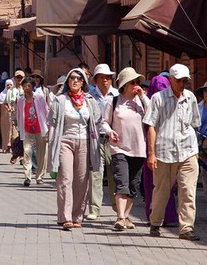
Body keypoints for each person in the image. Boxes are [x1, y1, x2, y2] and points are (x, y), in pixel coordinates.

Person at [144, 64, 201, 241]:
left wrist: (196, 149)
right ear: (170, 80)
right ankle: (155, 222)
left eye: (185, 81)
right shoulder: (158, 98)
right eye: (179, 81)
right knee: (162, 190)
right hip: (164, 152)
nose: (182, 84)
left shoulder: (190, 97)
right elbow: (151, 126)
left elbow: (194, 124)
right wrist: (151, 154)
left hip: (188, 150)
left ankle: (186, 228)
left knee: (188, 190)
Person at [46, 68, 101, 230]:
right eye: (72, 78)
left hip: (84, 142)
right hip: (65, 142)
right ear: (68, 82)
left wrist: (109, 133)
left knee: (81, 181)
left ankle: (77, 216)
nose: (75, 81)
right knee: (65, 179)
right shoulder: (60, 100)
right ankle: (65, 217)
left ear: (83, 82)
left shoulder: (90, 101)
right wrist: (52, 146)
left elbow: (98, 121)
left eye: (79, 78)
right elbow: (53, 124)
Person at [100, 67, 150, 231]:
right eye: (132, 82)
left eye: (138, 82)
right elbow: (104, 122)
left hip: (139, 149)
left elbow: (153, 114)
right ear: (124, 85)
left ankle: (126, 216)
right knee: (122, 182)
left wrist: (143, 96)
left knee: (133, 185)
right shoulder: (114, 101)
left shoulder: (141, 102)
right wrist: (110, 131)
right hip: (119, 148)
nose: (136, 85)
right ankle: (120, 217)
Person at [142, 73, 179, 226]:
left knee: (163, 186)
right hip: (155, 151)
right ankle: (159, 216)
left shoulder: (173, 102)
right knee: (160, 186)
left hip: (164, 150)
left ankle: (164, 216)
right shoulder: (156, 103)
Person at [86, 63, 118, 220]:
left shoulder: (117, 95)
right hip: (96, 138)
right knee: (96, 173)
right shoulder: (89, 97)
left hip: (114, 140)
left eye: (108, 78)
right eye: (102, 78)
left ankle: (117, 206)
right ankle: (94, 209)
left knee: (115, 173)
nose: (105, 80)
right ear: (96, 80)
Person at [16, 77, 49, 186]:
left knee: (41, 153)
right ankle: (27, 176)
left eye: (29, 86)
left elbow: (46, 111)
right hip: (27, 129)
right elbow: (19, 115)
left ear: (33, 87)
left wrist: (48, 126)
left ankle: (39, 176)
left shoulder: (39, 98)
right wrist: (19, 129)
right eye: (25, 86)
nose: (27, 88)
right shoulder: (20, 100)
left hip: (40, 128)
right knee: (27, 152)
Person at [0, 78, 19, 153]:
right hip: (5, 117)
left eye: (10, 85)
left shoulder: (16, 92)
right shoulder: (2, 94)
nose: (9, 86)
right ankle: (6, 147)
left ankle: (15, 148)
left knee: (15, 133)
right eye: (7, 85)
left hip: (14, 115)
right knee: (5, 132)